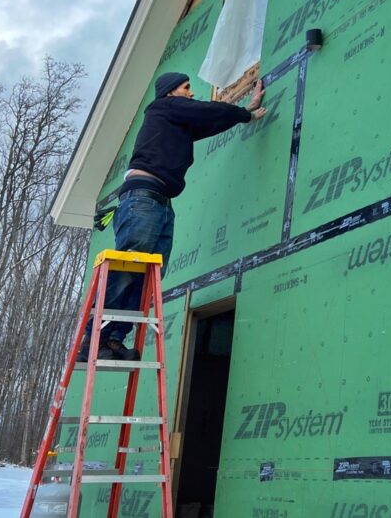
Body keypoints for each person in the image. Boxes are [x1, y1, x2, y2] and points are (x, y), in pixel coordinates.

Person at [79, 71, 266, 361]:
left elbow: (210, 122)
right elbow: (206, 111)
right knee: (129, 268)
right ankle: (94, 337)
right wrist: (244, 113)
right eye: (187, 87)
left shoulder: (175, 121)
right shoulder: (162, 107)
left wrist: (246, 114)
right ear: (170, 92)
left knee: (148, 276)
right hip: (142, 198)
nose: (192, 93)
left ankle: (114, 338)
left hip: (160, 203)